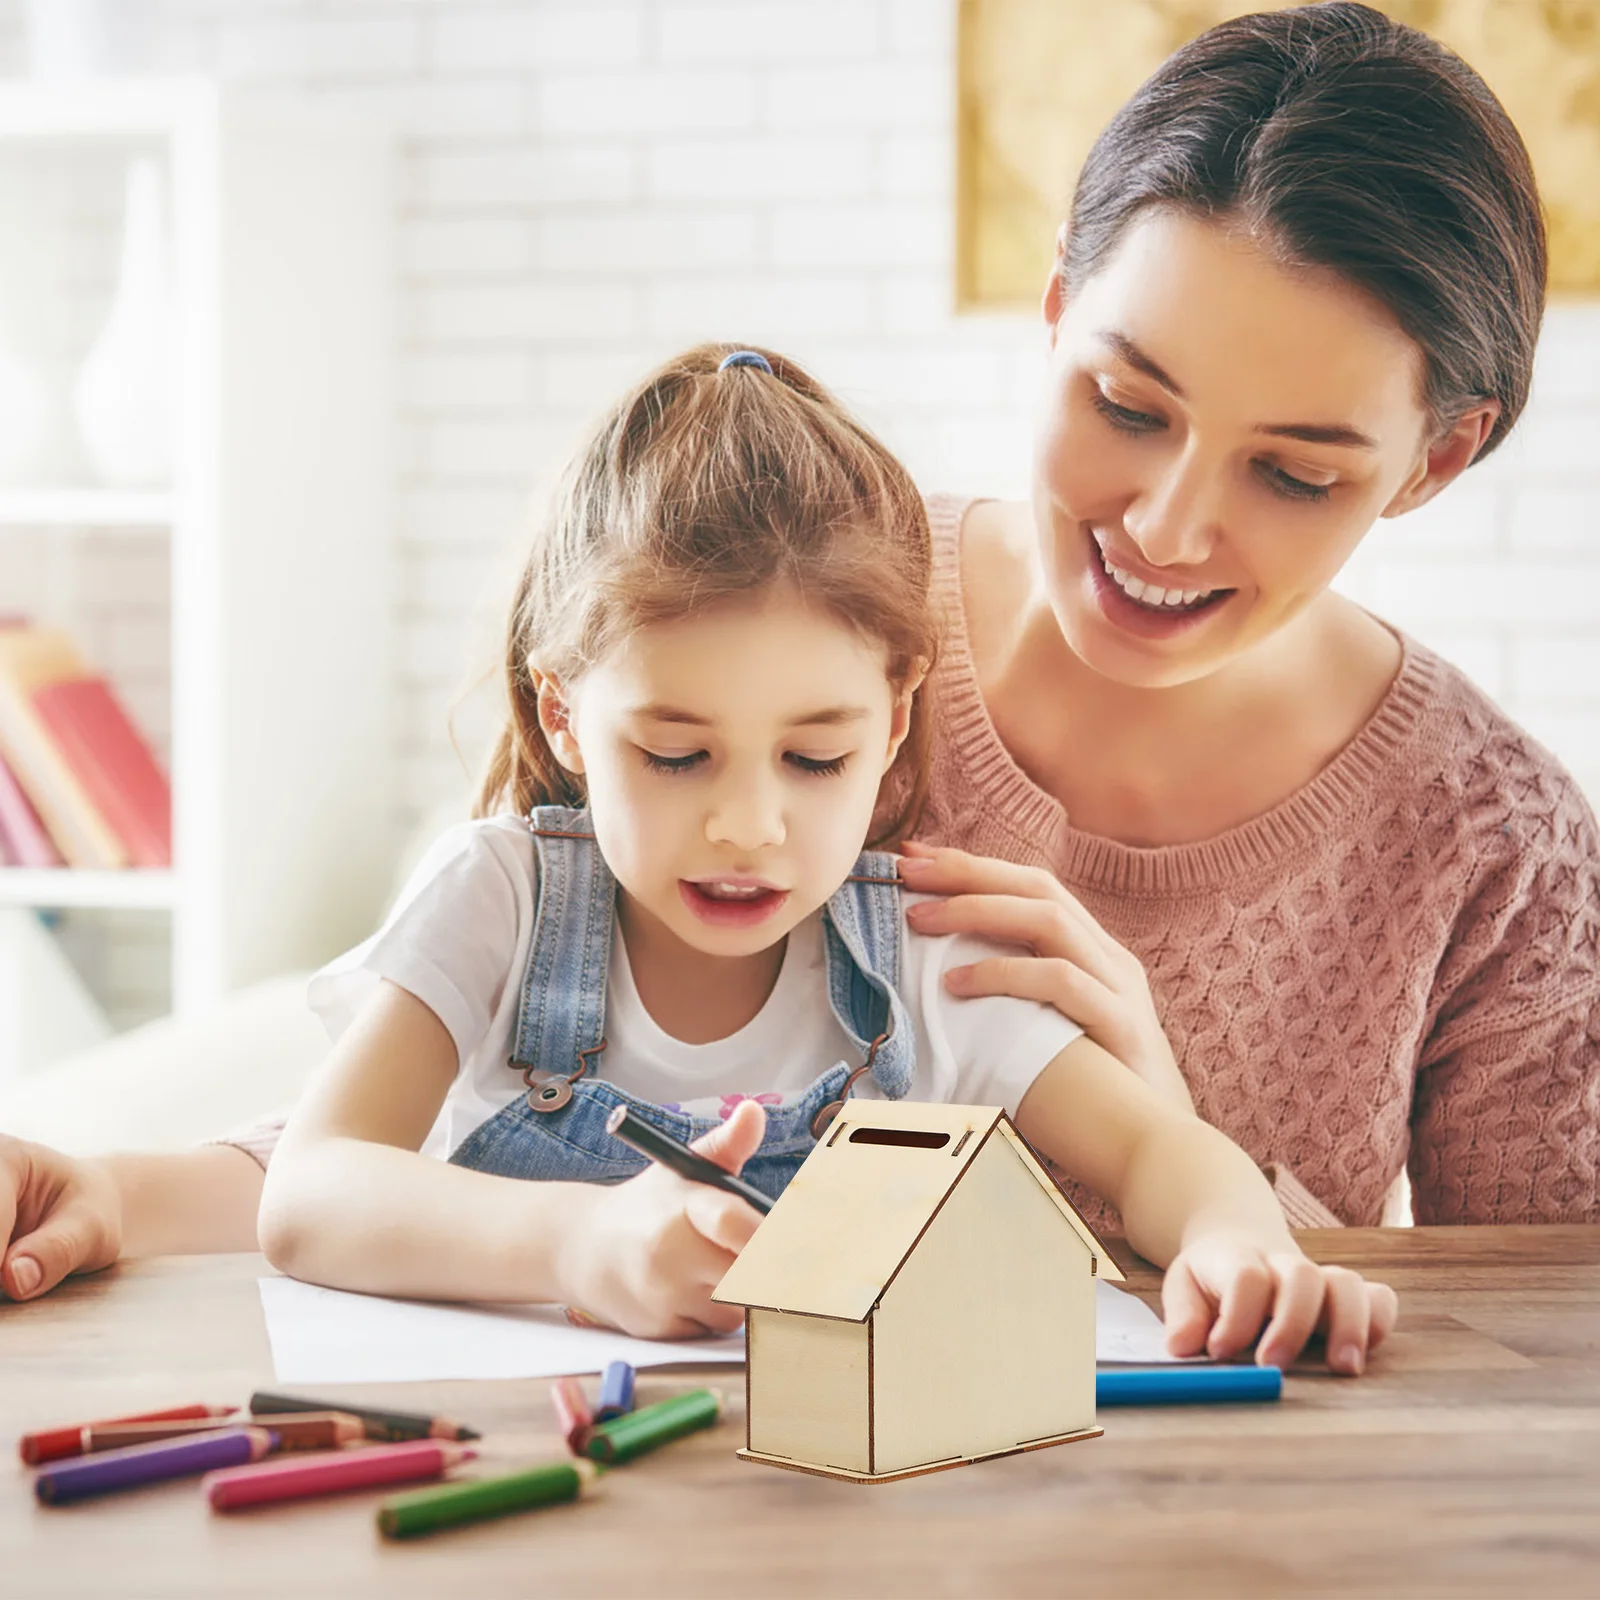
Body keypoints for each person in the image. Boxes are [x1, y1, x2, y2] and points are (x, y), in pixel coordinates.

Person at [7, 0, 1595, 1304]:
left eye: (1294, 472)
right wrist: (129, 1191)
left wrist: (1191, 1159)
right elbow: (469, 1084)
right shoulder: (806, 587)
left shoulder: (1495, 853)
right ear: (1053, 314)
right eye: (1127, 403)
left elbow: (1535, 1346)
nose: (1170, 525)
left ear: (1434, 463)